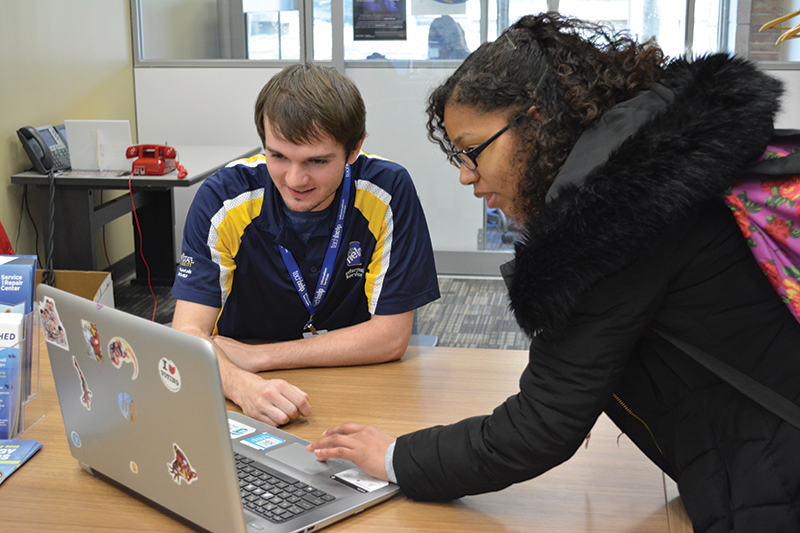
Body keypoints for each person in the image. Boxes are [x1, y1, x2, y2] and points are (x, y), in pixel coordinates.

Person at [308, 13, 800, 532]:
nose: (465, 175)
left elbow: (540, 428)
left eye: (472, 151)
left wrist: (394, 457)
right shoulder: (657, 162)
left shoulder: (614, 217)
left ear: (536, 123)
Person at [171, 64, 440, 427]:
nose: (295, 179)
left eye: (317, 161)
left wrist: (259, 358)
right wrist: (243, 385)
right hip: (242, 391)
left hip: (353, 382)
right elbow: (187, 335)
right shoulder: (222, 198)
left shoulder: (388, 190)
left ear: (354, 148)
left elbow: (390, 338)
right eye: (278, 156)